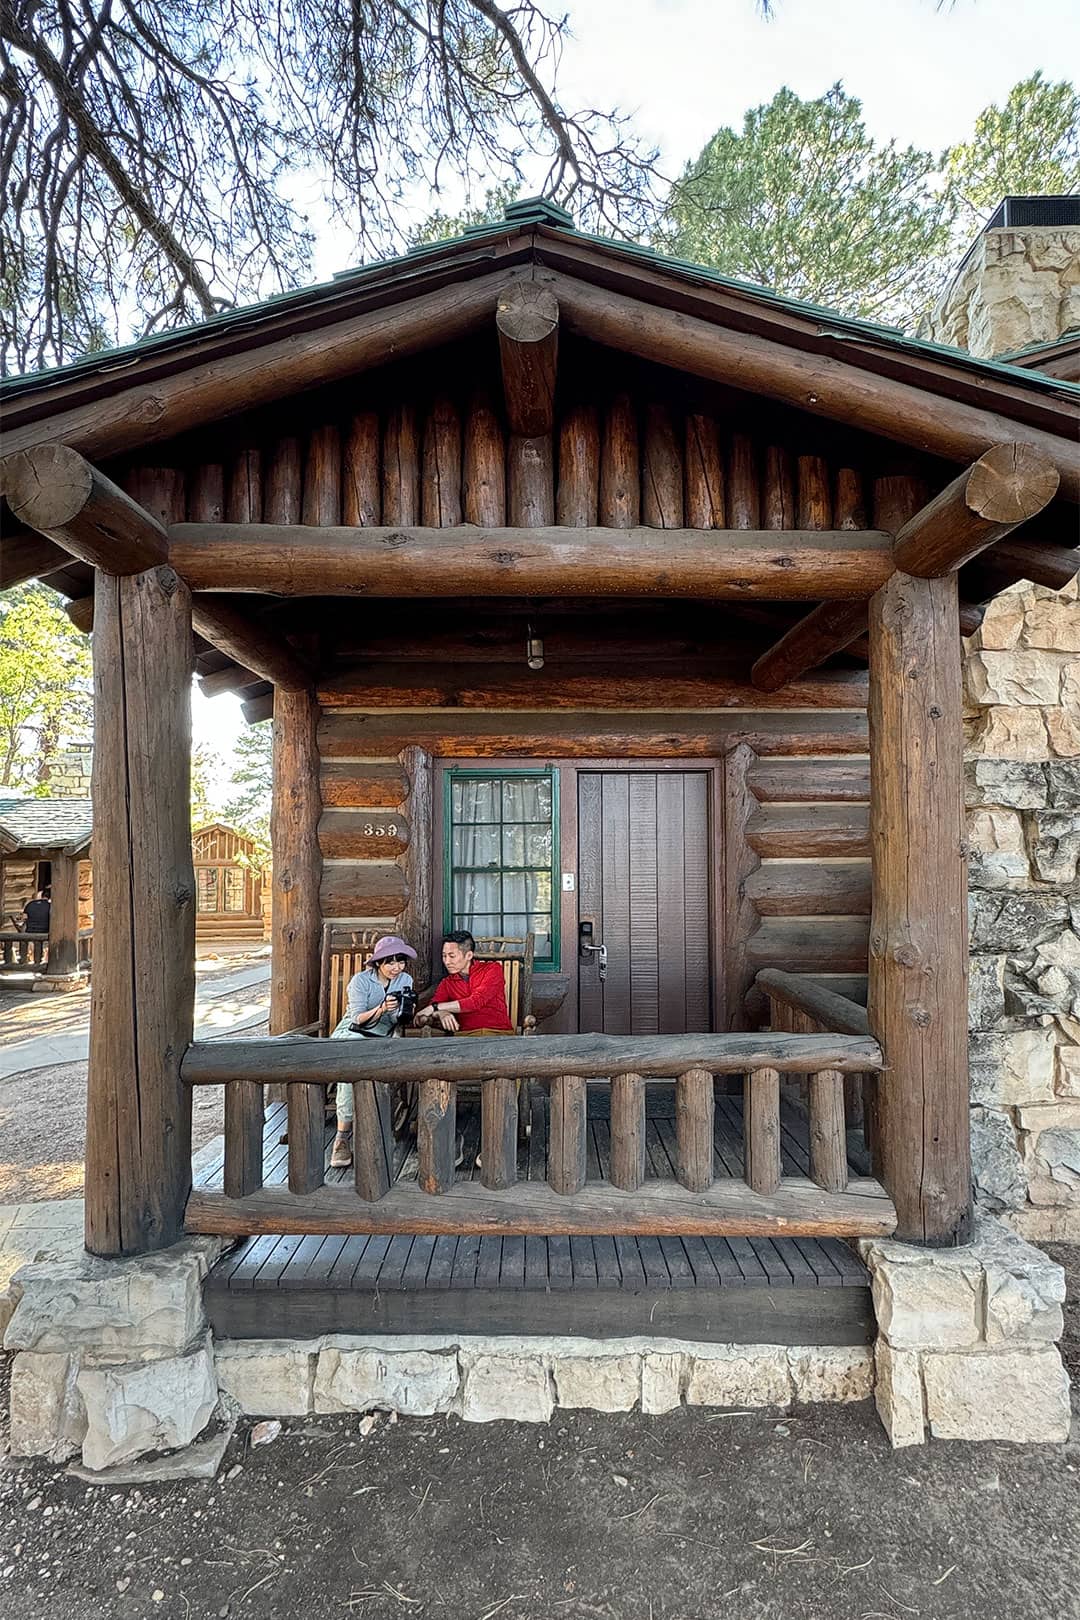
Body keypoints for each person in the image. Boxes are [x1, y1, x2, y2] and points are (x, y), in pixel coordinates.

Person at [329, 935, 417, 1169]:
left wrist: (404, 1009)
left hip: (384, 1035)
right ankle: (342, 1137)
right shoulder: (360, 981)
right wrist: (380, 1009)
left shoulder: (405, 979)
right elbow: (356, 1018)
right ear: (378, 963)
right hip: (355, 1033)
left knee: (363, 1066)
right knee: (350, 1072)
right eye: (390, 962)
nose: (396, 967)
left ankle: (373, 1125)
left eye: (401, 961)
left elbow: (400, 1019)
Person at [414, 930, 514, 1036]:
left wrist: (435, 1008)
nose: (447, 961)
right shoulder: (447, 983)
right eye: (444, 956)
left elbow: (476, 1002)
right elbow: (432, 1008)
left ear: (469, 955)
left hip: (499, 1034)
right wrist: (441, 1013)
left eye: (452, 956)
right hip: (465, 1038)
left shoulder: (492, 969)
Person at [20, 889, 50, 966]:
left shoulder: (30, 904)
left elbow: (23, 918)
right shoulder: (50, 906)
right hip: (45, 933)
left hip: (30, 932)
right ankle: (44, 961)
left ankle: (29, 960)